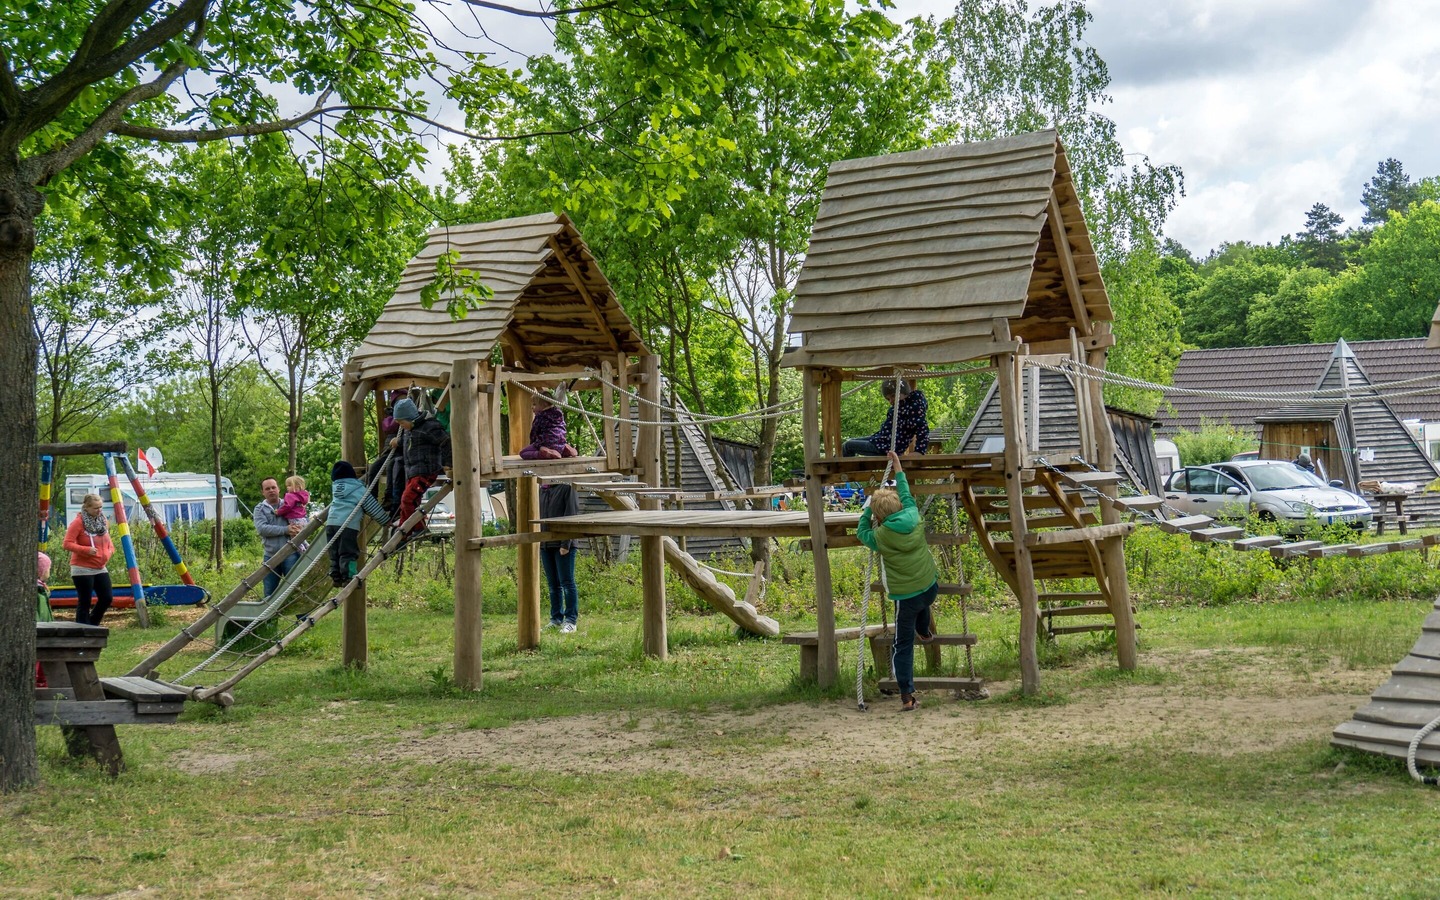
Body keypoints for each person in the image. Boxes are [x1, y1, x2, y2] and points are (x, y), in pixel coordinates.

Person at [856, 451, 939, 712]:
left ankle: (907, 695)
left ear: (879, 518)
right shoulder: (914, 515)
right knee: (924, 605)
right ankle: (924, 632)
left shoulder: (880, 536)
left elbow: (862, 533)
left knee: (902, 645)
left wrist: (867, 511)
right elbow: (905, 492)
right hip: (930, 585)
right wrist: (898, 468)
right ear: (900, 506)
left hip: (906, 596)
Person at [391, 397, 452, 535]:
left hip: (426, 471)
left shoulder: (429, 427)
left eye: (402, 422)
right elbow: (410, 441)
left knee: (408, 499)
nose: (401, 426)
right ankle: (410, 529)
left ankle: (415, 529)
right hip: (413, 471)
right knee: (410, 501)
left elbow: (446, 442)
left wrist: (447, 463)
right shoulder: (410, 429)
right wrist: (398, 441)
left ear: (411, 419)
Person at [326, 460, 392, 587]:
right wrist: (385, 521)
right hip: (347, 525)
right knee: (348, 551)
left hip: (331, 523)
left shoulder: (336, 489)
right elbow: (372, 507)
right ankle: (349, 577)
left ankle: (336, 576)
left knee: (334, 552)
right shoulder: (358, 489)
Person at [62, 493, 115, 625]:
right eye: (96, 508)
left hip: (100, 567)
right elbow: (67, 544)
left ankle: (92, 625)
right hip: (82, 568)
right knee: (85, 601)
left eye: (101, 507)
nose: (99, 510)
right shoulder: (78, 523)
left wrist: (109, 552)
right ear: (86, 508)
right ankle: (82, 629)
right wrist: (86, 550)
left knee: (107, 598)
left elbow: (108, 541)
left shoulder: (103, 520)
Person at [843, 379, 930, 457]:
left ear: (904, 393)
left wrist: (919, 451)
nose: (891, 401)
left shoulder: (913, 407)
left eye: (893, 396)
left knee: (847, 446)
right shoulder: (900, 406)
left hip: (887, 446)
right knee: (847, 442)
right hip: (882, 440)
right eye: (888, 399)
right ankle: (848, 467)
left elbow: (922, 428)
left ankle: (844, 468)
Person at [539, 483, 581, 632]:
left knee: (567, 583)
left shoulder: (567, 487)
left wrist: (565, 543)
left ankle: (571, 621)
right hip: (546, 544)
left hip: (564, 544)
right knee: (553, 585)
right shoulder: (542, 489)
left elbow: (571, 514)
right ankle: (556, 618)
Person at [254, 477, 305, 598]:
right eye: (267, 489)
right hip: (271, 556)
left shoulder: (290, 503)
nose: (271, 490)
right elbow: (262, 529)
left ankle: (299, 613)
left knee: (295, 591)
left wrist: (300, 528)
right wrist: (286, 529)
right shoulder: (259, 509)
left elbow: (302, 518)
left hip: (291, 553)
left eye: (273, 487)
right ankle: (269, 612)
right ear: (263, 492)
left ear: (279, 489)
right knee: (269, 593)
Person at [519, 390, 578, 460]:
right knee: (556, 445)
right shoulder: (558, 414)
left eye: (534, 404)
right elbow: (562, 427)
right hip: (560, 443)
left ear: (544, 404)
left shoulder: (540, 416)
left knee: (523, 453)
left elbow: (534, 432)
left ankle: (542, 453)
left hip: (546, 443)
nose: (532, 407)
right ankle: (565, 448)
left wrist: (535, 445)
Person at [36, 552, 53, 688]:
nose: (49, 571)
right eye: (48, 568)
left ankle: (43, 680)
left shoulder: (41, 589)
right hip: (40, 633)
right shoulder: (37, 592)